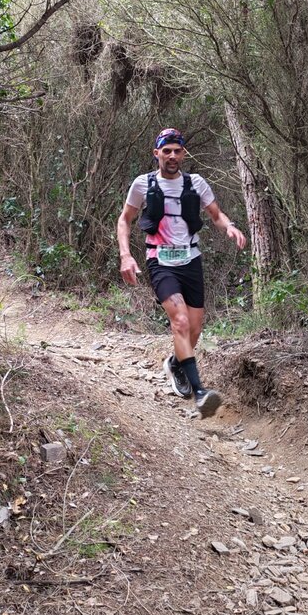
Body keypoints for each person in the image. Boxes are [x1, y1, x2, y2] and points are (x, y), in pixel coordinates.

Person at [117, 128, 247, 417]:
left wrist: (230, 227)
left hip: (191, 259)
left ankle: (175, 364)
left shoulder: (196, 183)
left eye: (177, 151)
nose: (172, 156)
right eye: (167, 151)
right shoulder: (143, 184)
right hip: (159, 260)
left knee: (195, 328)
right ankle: (200, 392)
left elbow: (216, 215)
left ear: (183, 154)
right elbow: (125, 220)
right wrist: (126, 255)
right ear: (157, 154)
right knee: (180, 321)